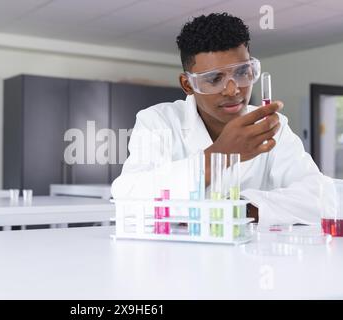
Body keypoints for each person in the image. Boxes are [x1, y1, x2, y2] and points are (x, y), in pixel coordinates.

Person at [111, 13, 333, 225]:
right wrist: (220, 155)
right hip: (179, 260)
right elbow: (128, 198)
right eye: (214, 78)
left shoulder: (273, 126)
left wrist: (240, 209)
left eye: (241, 72)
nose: (232, 90)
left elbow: (320, 195)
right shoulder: (158, 121)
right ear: (188, 85)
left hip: (253, 258)